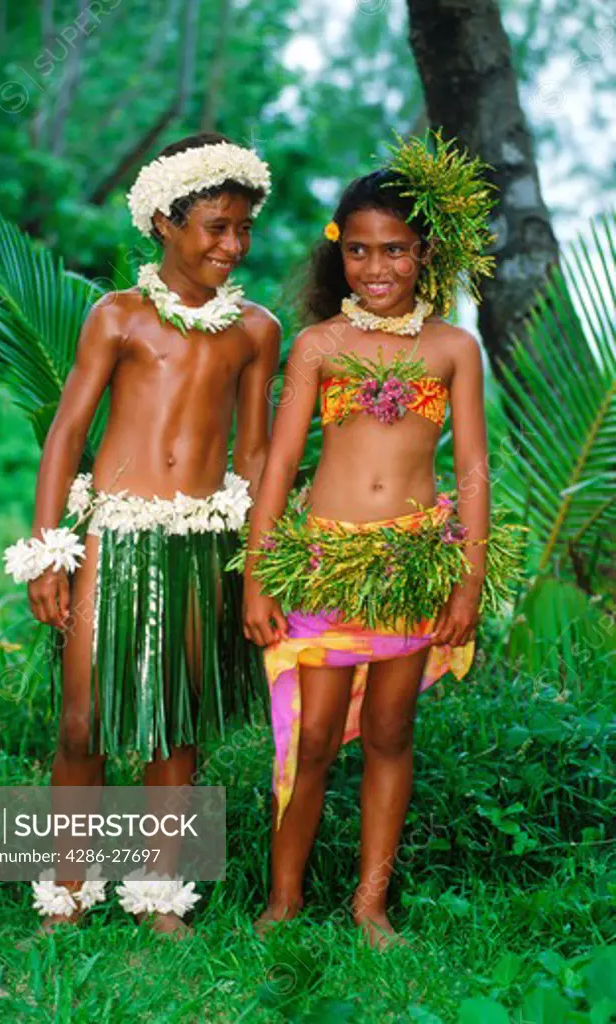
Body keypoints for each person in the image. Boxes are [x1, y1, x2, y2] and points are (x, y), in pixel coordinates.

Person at [239, 130, 525, 947]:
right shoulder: (321, 345)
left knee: (392, 733)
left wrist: (466, 579)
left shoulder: (450, 349)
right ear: (340, 255)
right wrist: (258, 576)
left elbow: (472, 468)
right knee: (316, 735)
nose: (375, 268)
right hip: (326, 563)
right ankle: (284, 899)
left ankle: (370, 903)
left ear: (424, 251)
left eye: (394, 250)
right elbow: (280, 462)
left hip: (410, 566)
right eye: (359, 250)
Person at [3, 132, 281, 935]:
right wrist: (49, 550)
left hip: (200, 540)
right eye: (216, 227)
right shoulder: (117, 317)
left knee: (177, 717)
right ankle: (68, 889)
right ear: (164, 221)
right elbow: (67, 435)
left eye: (243, 228)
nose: (233, 244)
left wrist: (257, 561)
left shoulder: (253, 330)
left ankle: (162, 895)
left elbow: (256, 451)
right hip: (113, 537)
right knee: (82, 718)